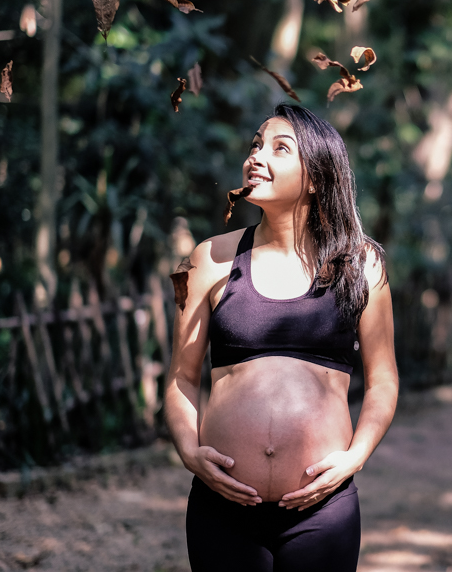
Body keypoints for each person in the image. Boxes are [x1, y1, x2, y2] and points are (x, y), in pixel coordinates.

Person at [165, 103, 398, 571]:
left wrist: (355, 457)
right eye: (255, 144)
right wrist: (189, 451)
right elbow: (181, 378)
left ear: (316, 177)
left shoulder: (362, 264)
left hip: (322, 511)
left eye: (279, 148)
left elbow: (383, 381)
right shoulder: (209, 258)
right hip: (222, 508)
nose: (256, 156)